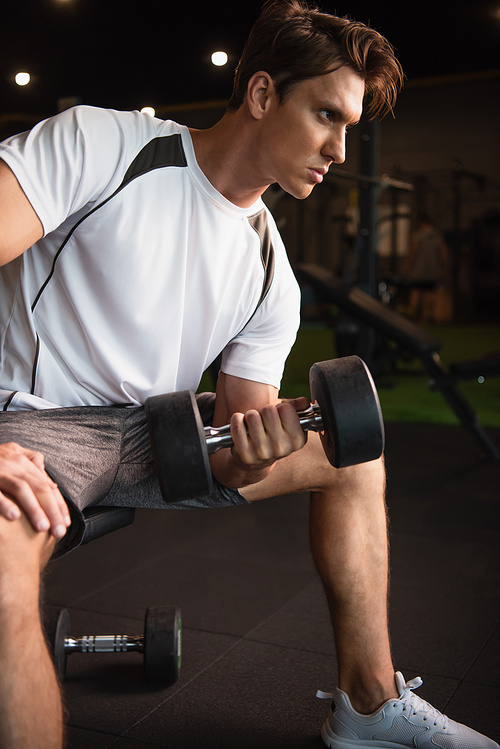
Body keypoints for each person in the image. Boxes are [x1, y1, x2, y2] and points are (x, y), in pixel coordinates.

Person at [0, 1, 497, 747]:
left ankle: (368, 704)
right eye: (326, 114)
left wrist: (253, 445)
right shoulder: (103, 144)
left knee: (351, 457)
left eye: (349, 127)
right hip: (32, 423)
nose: (337, 146)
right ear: (263, 94)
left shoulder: (271, 272)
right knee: (6, 563)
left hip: (155, 428)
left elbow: (232, 445)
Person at [401, 213, 449, 322]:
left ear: (421, 223)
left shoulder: (417, 235)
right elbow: (444, 252)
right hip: (432, 270)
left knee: (415, 290)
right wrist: (442, 266)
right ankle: (430, 315)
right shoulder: (437, 236)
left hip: (418, 269)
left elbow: (412, 252)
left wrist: (407, 266)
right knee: (430, 291)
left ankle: (413, 315)